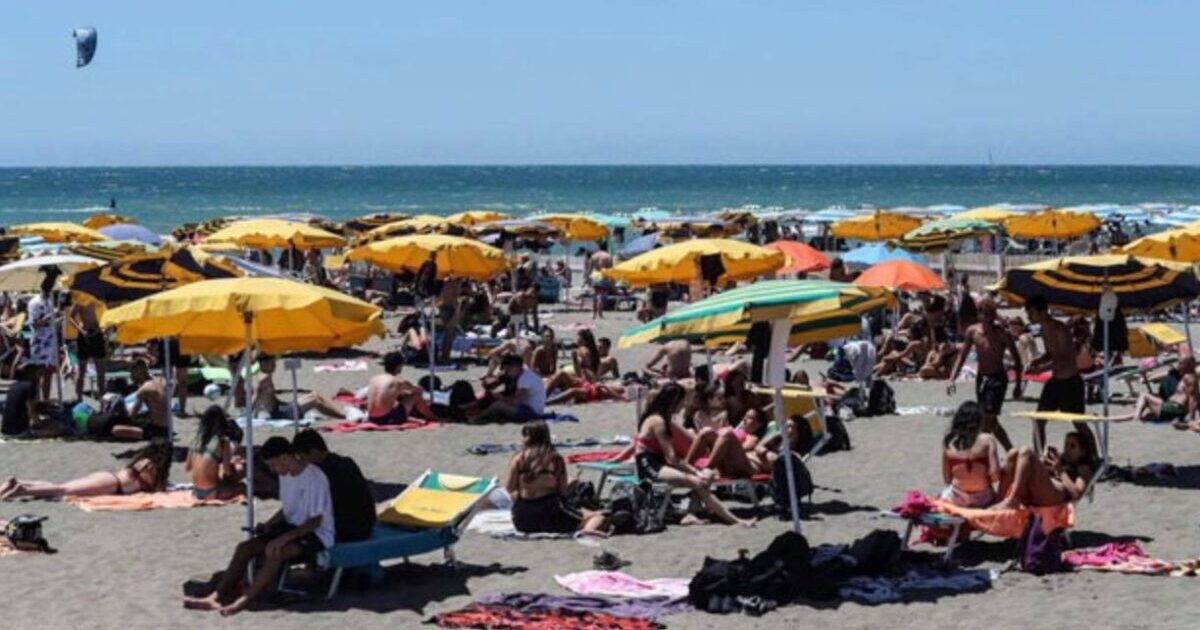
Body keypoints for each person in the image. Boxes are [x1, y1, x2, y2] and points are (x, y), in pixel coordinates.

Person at [184, 436, 334, 616]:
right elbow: (289, 510)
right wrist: (269, 526)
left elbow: (315, 520)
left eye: (273, 465)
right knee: (245, 548)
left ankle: (243, 600)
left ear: (285, 458)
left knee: (276, 552)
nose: (272, 469)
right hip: (292, 527)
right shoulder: (285, 475)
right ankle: (216, 596)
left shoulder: (314, 478)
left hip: (317, 534)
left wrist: (283, 538)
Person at [634, 383, 754, 527]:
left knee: (701, 481)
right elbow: (671, 458)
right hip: (649, 463)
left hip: (656, 461)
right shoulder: (658, 421)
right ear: (674, 401)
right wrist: (696, 471)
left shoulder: (660, 418)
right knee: (699, 482)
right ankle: (735, 521)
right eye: (681, 402)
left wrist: (696, 471)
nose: (683, 406)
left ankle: (692, 514)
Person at [947, 296, 1024, 449]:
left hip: (998, 379)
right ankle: (1010, 450)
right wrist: (952, 379)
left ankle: (978, 451)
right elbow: (962, 355)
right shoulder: (972, 332)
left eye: (991, 313)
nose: (988, 317)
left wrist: (1018, 385)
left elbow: (1017, 361)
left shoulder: (1002, 334)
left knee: (987, 420)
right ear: (979, 314)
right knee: (992, 421)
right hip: (981, 379)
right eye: (985, 313)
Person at [505, 421, 606, 535]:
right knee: (597, 517)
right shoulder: (554, 458)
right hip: (550, 513)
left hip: (523, 519)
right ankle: (587, 530)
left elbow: (509, 488)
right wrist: (572, 483)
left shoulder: (518, 459)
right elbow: (562, 491)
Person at [1024, 294, 1096, 453]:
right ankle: (1038, 459)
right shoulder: (1044, 329)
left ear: (1043, 311)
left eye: (1032, 313)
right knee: (1038, 420)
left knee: (1078, 422)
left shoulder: (1059, 329)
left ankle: (1094, 456)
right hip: (1056, 381)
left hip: (1070, 381)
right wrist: (1038, 361)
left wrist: (1041, 369)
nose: (1029, 316)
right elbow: (1051, 353)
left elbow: (1065, 358)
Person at [1, 442, 171, 500]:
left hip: (109, 478)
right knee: (63, 490)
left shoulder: (143, 460)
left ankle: (20, 483)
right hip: (112, 484)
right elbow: (152, 487)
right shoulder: (150, 466)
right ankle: (23, 491)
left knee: (61, 486)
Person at [293, 429, 376, 542]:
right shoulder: (346, 462)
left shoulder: (322, 473)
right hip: (365, 524)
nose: (303, 462)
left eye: (303, 458)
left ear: (313, 451)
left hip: (350, 529)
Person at [993, 432, 1095, 510]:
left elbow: (1076, 493)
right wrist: (1044, 464)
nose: (1067, 449)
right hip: (1043, 489)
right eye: (1066, 445)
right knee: (1013, 452)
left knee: (1026, 451)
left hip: (1055, 496)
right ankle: (1000, 500)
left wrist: (1060, 471)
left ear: (1082, 452)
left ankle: (1012, 500)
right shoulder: (1062, 458)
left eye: (1072, 446)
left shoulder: (1083, 468)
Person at [940, 401, 1001, 507]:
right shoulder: (988, 440)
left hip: (957, 498)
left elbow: (947, 478)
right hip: (983, 498)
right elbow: (995, 476)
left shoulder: (948, 441)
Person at [253, 355, 346, 420]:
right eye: (272, 362)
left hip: (281, 408)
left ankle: (340, 412)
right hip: (281, 413)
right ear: (263, 363)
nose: (275, 365)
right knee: (315, 400)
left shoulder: (266, 377)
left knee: (315, 395)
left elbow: (268, 399)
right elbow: (256, 397)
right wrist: (252, 416)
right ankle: (342, 416)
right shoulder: (264, 379)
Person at [686, 408, 770, 479]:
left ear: (759, 424)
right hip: (726, 462)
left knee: (727, 433)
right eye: (745, 416)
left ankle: (708, 468)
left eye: (749, 418)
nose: (744, 419)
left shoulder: (753, 437)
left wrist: (727, 439)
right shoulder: (736, 431)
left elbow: (744, 449)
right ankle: (686, 465)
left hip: (745, 467)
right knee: (706, 431)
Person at [186, 405, 243, 500]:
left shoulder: (196, 440)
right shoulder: (223, 441)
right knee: (242, 486)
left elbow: (188, 467)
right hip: (212, 491)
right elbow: (227, 471)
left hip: (196, 491)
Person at [470, 354, 546, 424]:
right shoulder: (526, 375)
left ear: (515, 367)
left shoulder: (525, 379)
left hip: (532, 412)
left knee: (498, 405)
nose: (507, 373)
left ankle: (477, 419)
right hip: (529, 409)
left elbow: (516, 401)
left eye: (508, 370)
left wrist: (500, 397)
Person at [1126, 355, 1198, 424]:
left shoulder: (1190, 378)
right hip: (1171, 407)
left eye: (1181, 364)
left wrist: (1192, 419)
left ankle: (1136, 419)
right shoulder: (1185, 376)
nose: (1178, 366)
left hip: (1174, 409)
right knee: (1146, 414)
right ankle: (1121, 418)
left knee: (1144, 395)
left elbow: (1193, 399)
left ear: (1189, 365)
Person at [111, 359, 170, 441]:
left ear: (139, 371)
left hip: (157, 431)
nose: (131, 376)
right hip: (169, 428)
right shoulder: (162, 381)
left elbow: (132, 416)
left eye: (132, 372)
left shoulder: (143, 389)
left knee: (116, 430)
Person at [365, 351, 429, 424]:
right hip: (385, 419)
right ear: (399, 366)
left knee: (398, 400)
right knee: (416, 396)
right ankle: (431, 416)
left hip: (371, 418)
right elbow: (418, 390)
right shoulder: (398, 381)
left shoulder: (374, 379)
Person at [26, 268, 59, 400]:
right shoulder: (34, 302)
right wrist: (47, 319)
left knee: (49, 373)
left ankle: (46, 400)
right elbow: (33, 324)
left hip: (51, 340)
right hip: (40, 342)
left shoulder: (50, 300)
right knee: (37, 373)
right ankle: (35, 400)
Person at [68, 299, 106, 401]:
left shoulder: (99, 299)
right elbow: (71, 317)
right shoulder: (81, 299)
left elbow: (106, 316)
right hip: (84, 333)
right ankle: (79, 398)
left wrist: (101, 329)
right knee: (82, 370)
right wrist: (81, 330)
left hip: (97, 334)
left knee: (101, 371)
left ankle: (102, 399)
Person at [1, 363, 42, 436]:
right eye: (39, 374)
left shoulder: (15, 385)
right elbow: (30, 410)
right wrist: (39, 423)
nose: (40, 377)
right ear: (34, 374)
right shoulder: (30, 386)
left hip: (5, 429)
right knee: (56, 429)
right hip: (19, 430)